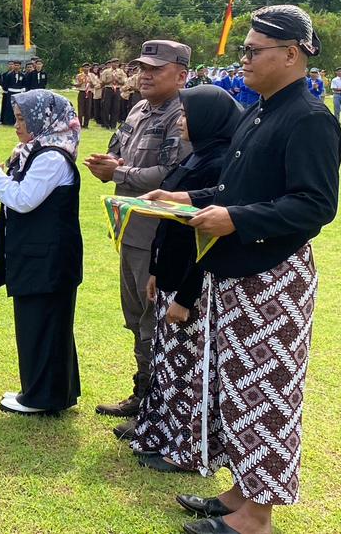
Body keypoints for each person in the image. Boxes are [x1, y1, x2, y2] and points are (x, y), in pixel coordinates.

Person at [142, 5, 341, 534]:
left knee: (266, 394)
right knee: (233, 389)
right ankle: (239, 494)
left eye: (253, 51)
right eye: (243, 50)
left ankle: (256, 518)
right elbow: (237, 189)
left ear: (291, 54)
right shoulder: (260, 112)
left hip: (273, 277)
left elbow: (315, 204)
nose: (243, 59)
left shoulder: (310, 118)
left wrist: (236, 219)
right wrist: (187, 197)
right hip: (236, 274)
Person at [123, 84, 240, 468]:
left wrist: (186, 297)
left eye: (189, 115)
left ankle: (185, 451)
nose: (181, 121)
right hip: (170, 273)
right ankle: (160, 435)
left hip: (190, 281)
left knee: (188, 373)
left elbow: (207, 243)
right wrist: (156, 271)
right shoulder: (197, 155)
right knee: (167, 365)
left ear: (210, 119)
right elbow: (170, 221)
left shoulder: (220, 163)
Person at [84, 40, 191, 420]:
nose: (145, 75)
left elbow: (172, 175)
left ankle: (155, 406)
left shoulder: (182, 115)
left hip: (157, 235)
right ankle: (143, 393)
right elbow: (122, 154)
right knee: (135, 317)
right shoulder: (139, 109)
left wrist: (120, 173)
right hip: (130, 229)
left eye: (155, 69)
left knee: (153, 319)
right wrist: (108, 164)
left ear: (181, 75)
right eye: (142, 68)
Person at [0, 90, 82, 414]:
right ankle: (46, 392)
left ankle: (41, 398)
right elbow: (13, 195)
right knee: (42, 325)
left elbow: (23, 199)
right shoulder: (34, 151)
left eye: (22, 119)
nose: (17, 125)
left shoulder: (51, 157)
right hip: (40, 255)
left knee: (44, 326)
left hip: (49, 258)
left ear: (42, 119)